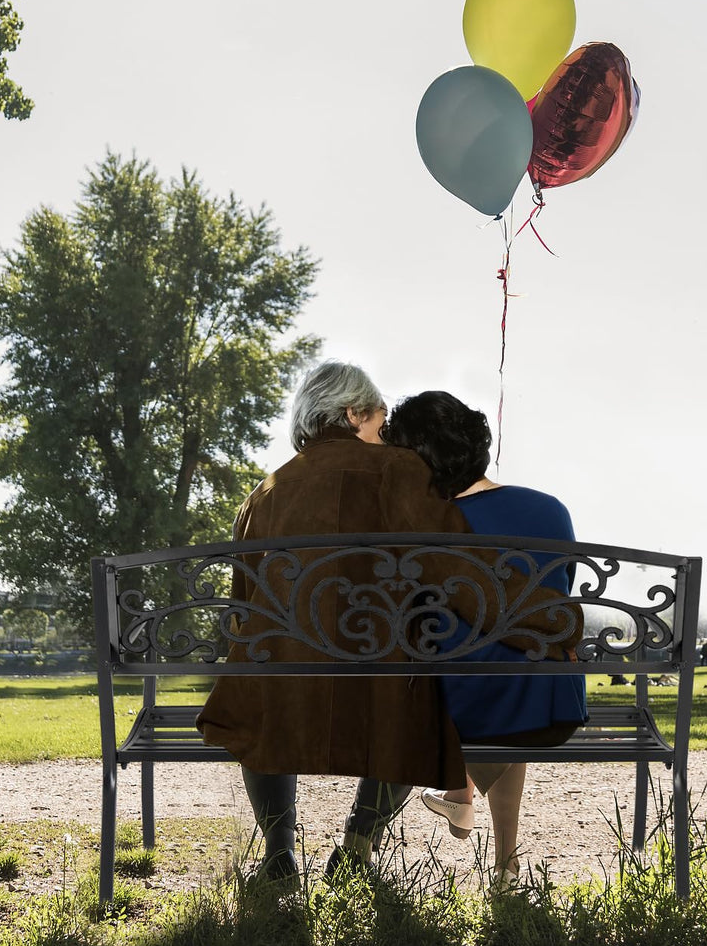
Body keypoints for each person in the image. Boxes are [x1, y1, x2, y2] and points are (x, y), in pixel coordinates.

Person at [195, 363, 580, 883]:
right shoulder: (397, 472)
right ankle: (357, 845)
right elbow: (457, 573)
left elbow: (246, 611)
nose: (385, 436)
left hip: (280, 692)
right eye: (379, 421)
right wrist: (551, 621)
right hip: (374, 690)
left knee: (262, 690)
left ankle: (279, 854)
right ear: (353, 414)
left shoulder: (265, 490)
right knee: (417, 698)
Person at [382, 390, 588, 887]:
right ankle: (505, 865)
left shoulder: (429, 526)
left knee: (458, 671)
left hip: (456, 713)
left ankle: (458, 795)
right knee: (517, 669)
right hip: (552, 708)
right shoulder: (550, 509)